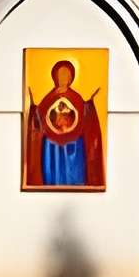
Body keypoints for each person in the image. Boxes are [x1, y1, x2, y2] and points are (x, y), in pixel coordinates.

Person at [27, 58, 105, 190]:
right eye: (61, 74)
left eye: (66, 75)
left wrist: (89, 105)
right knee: (53, 174)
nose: (63, 78)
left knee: (74, 175)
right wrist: (34, 108)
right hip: (52, 148)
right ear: (55, 77)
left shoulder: (76, 98)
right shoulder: (49, 98)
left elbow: (84, 115)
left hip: (74, 146)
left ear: (71, 78)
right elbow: (39, 118)